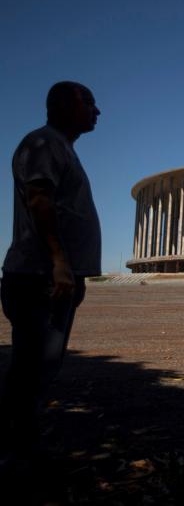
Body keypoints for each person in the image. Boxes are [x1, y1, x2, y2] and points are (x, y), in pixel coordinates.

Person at [0, 81, 102, 468]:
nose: (97, 111)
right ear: (63, 105)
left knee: (41, 367)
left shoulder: (62, 147)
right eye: (89, 102)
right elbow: (39, 198)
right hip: (39, 277)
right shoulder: (44, 144)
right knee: (31, 367)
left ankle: (21, 446)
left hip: (53, 277)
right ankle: (15, 452)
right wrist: (59, 262)